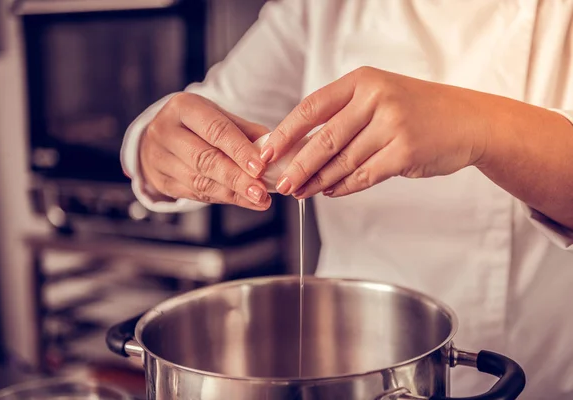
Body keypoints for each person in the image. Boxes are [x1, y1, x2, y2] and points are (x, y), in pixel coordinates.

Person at [120, 1, 573, 398]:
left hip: (544, 374)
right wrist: (154, 147)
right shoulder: (321, 7)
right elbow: (204, 111)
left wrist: (481, 127)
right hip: (353, 375)